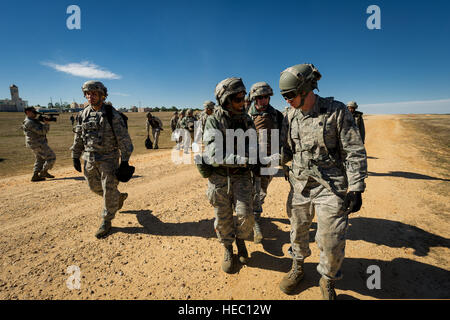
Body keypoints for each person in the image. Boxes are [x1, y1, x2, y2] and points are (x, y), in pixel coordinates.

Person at [279, 64, 368, 299]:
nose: (287, 100)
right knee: (297, 231)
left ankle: (328, 279)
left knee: (331, 239)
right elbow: (285, 151)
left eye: (291, 95)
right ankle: (298, 267)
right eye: (284, 96)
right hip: (299, 184)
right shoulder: (288, 116)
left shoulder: (336, 112)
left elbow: (354, 151)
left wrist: (356, 187)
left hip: (330, 186)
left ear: (306, 89)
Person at [197, 77, 256, 274]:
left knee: (245, 215)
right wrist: (245, 159)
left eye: (243, 98)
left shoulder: (247, 120)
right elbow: (215, 154)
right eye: (238, 99)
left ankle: (240, 239)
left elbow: (254, 146)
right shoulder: (213, 120)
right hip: (220, 178)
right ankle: (228, 248)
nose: (243, 102)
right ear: (225, 100)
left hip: (242, 178)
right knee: (222, 218)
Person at [71, 81, 134, 239]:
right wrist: (75, 155)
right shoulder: (83, 114)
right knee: (94, 187)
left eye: (94, 93)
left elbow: (124, 139)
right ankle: (118, 198)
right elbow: (79, 136)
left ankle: (107, 220)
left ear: (102, 95)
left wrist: (125, 160)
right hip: (89, 158)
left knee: (108, 190)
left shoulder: (112, 114)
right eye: (88, 94)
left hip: (109, 159)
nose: (90, 96)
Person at [247, 82, 284, 244]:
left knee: (262, 190)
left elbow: (284, 136)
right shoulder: (245, 115)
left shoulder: (277, 115)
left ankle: (255, 213)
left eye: (267, 97)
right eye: (260, 97)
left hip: (269, 160)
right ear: (254, 98)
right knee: (251, 190)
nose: (264, 100)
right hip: (250, 160)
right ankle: (253, 220)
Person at [22, 107, 56, 181]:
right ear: (27, 112)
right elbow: (42, 132)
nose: (35, 113)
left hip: (34, 143)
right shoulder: (29, 122)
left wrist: (44, 120)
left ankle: (35, 175)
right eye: (33, 111)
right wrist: (46, 124)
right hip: (37, 143)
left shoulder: (32, 121)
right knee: (51, 157)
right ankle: (43, 172)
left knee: (40, 159)